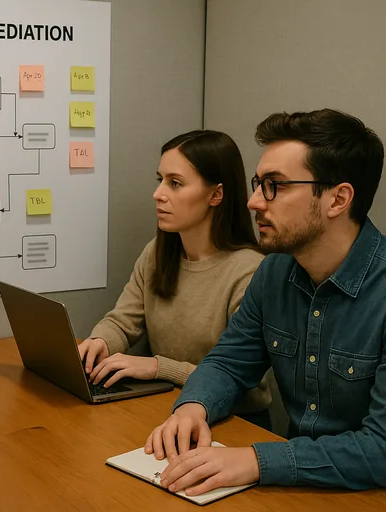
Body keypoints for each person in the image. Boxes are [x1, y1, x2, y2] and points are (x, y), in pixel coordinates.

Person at [146, 108, 386, 495]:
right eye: (258, 183)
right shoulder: (274, 272)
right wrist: (193, 407)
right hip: (294, 488)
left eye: (275, 185)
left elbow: (381, 449)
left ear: (338, 199)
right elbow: (228, 361)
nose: (254, 202)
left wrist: (256, 460)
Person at [79, 130, 272, 429]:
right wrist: (99, 342)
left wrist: (158, 367)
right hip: (166, 409)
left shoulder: (251, 272)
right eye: (161, 180)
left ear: (216, 194)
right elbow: (123, 321)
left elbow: (243, 383)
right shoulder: (158, 251)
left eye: (175, 183)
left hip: (233, 423)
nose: (158, 194)